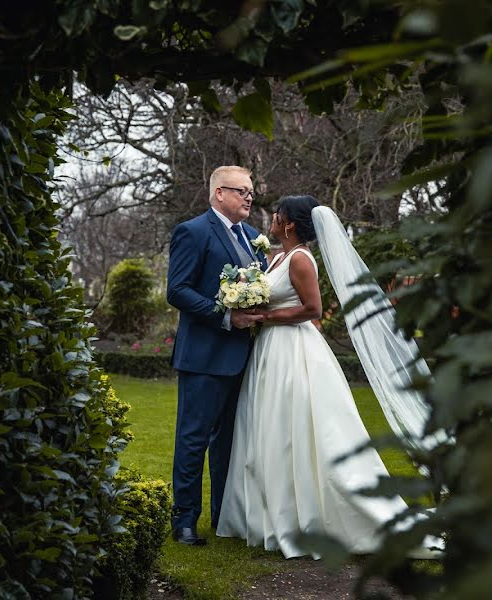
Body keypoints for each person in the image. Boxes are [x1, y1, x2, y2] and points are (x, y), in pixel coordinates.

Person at [216, 195, 438, 558]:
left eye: (278, 214)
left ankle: (316, 516)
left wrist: (264, 318)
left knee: (301, 430)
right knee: (271, 429)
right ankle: (268, 514)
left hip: (295, 352)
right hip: (270, 352)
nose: (273, 218)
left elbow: (313, 309)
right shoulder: (278, 257)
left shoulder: (301, 259)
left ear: (289, 223)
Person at [166, 166, 267, 546]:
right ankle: (185, 521)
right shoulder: (192, 232)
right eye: (242, 191)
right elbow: (177, 290)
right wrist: (225, 314)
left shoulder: (254, 238)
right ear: (218, 193)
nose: (249, 198)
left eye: (251, 193)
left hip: (244, 357)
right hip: (203, 356)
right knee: (193, 440)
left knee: (231, 442)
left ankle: (225, 515)